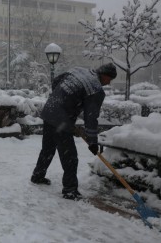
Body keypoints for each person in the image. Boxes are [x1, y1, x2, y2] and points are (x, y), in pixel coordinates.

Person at [30, 63, 117, 201]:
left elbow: (57, 81)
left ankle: (38, 175)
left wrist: (61, 101)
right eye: (109, 79)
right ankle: (70, 190)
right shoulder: (96, 89)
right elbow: (91, 117)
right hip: (61, 120)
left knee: (48, 149)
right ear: (104, 75)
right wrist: (93, 141)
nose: (109, 82)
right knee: (70, 157)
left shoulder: (77, 70)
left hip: (49, 111)